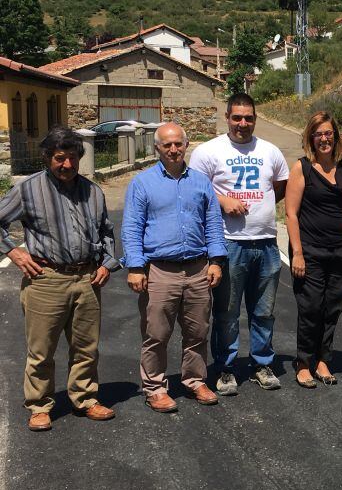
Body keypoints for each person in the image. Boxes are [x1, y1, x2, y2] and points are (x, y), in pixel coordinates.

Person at [0, 127, 119, 431]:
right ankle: (39, 405)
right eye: (59, 158)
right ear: (47, 158)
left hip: (88, 279)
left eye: (72, 158)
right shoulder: (28, 190)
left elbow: (106, 230)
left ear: (80, 158)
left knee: (86, 347)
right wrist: (14, 253)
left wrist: (107, 262)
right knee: (42, 350)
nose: (66, 165)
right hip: (46, 279)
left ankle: (86, 398)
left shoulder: (93, 191)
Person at [122, 123, 227, 412]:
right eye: (167, 145)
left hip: (198, 269)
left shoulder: (201, 182)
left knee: (197, 332)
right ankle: (154, 387)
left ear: (186, 145)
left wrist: (216, 260)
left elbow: (213, 223)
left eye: (178, 144)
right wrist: (135, 267)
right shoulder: (142, 183)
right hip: (159, 271)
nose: (173, 149)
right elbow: (132, 228)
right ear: (157, 148)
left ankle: (194, 380)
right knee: (156, 334)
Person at [189, 93, 289, 394]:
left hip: (267, 243)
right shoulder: (209, 151)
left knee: (263, 311)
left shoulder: (271, 151)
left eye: (248, 118)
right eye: (237, 118)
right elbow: (195, 192)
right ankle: (225, 369)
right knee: (227, 313)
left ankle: (261, 363)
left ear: (255, 118)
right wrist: (221, 200)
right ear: (227, 118)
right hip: (228, 244)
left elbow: (280, 187)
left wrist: (260, 210)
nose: (242, 123)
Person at [285, 111, 342, 388]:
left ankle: (323, 359)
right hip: (311, 252)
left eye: (328, 133)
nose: (324, 139)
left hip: (341, 251)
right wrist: (298, 253)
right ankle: (304, 362)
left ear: (335, 136)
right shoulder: (301, 168)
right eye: (318, 134)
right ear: (311, 138)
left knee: (332, 308)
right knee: (311, 307)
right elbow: (291, 214)